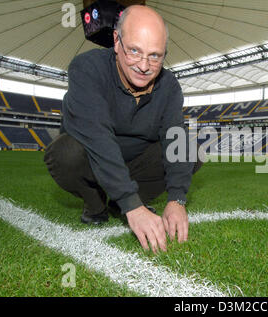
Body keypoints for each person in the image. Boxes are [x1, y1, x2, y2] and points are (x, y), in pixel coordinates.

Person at [44, 5, 199, 254]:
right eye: (135, 51)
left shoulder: (169, 86)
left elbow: (175, 139)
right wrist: (132, 205)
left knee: (189, 149)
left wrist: (177, 199)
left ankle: (119, 202)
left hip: (137, 162)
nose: (144, 65)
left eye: (155, 56)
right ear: (116, 41)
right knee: (65, 153)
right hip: (94, 156)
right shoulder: (86, 69)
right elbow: (98, 137)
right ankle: (95, 204)